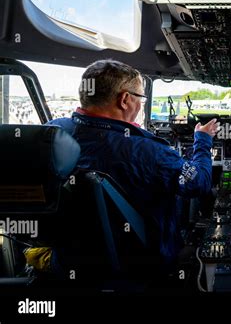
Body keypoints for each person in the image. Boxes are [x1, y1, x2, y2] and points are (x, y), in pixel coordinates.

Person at [47, 59, 218, 272]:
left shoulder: (51, 133)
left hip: (69, 262)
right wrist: (202, 141)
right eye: (141, 98)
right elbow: (198, 183)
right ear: (125, 100)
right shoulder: (149, 151)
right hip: (144, 266)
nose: (141, 104)